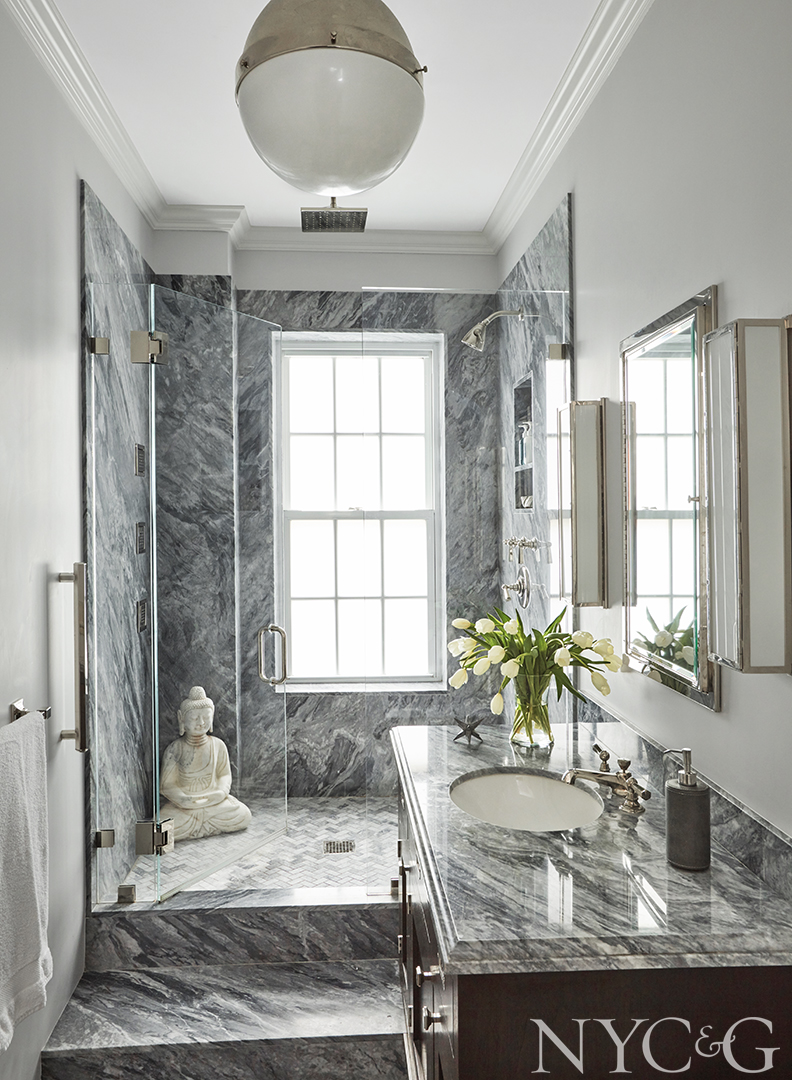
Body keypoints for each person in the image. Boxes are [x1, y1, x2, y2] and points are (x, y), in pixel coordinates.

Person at [159, 686, 251, 841]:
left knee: (243, 814)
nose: (201, 723)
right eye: (194, 718)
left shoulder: (218, 745)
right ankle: (205, 826)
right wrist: (183, 799)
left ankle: (199, 826)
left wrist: (221, 792)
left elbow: (224, 774)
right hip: (184, 807)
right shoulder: (176, 748)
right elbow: (166, 785)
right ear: (181, 718)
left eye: (206, 717)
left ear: (212, 717)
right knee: (161, 828)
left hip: (213, 803)